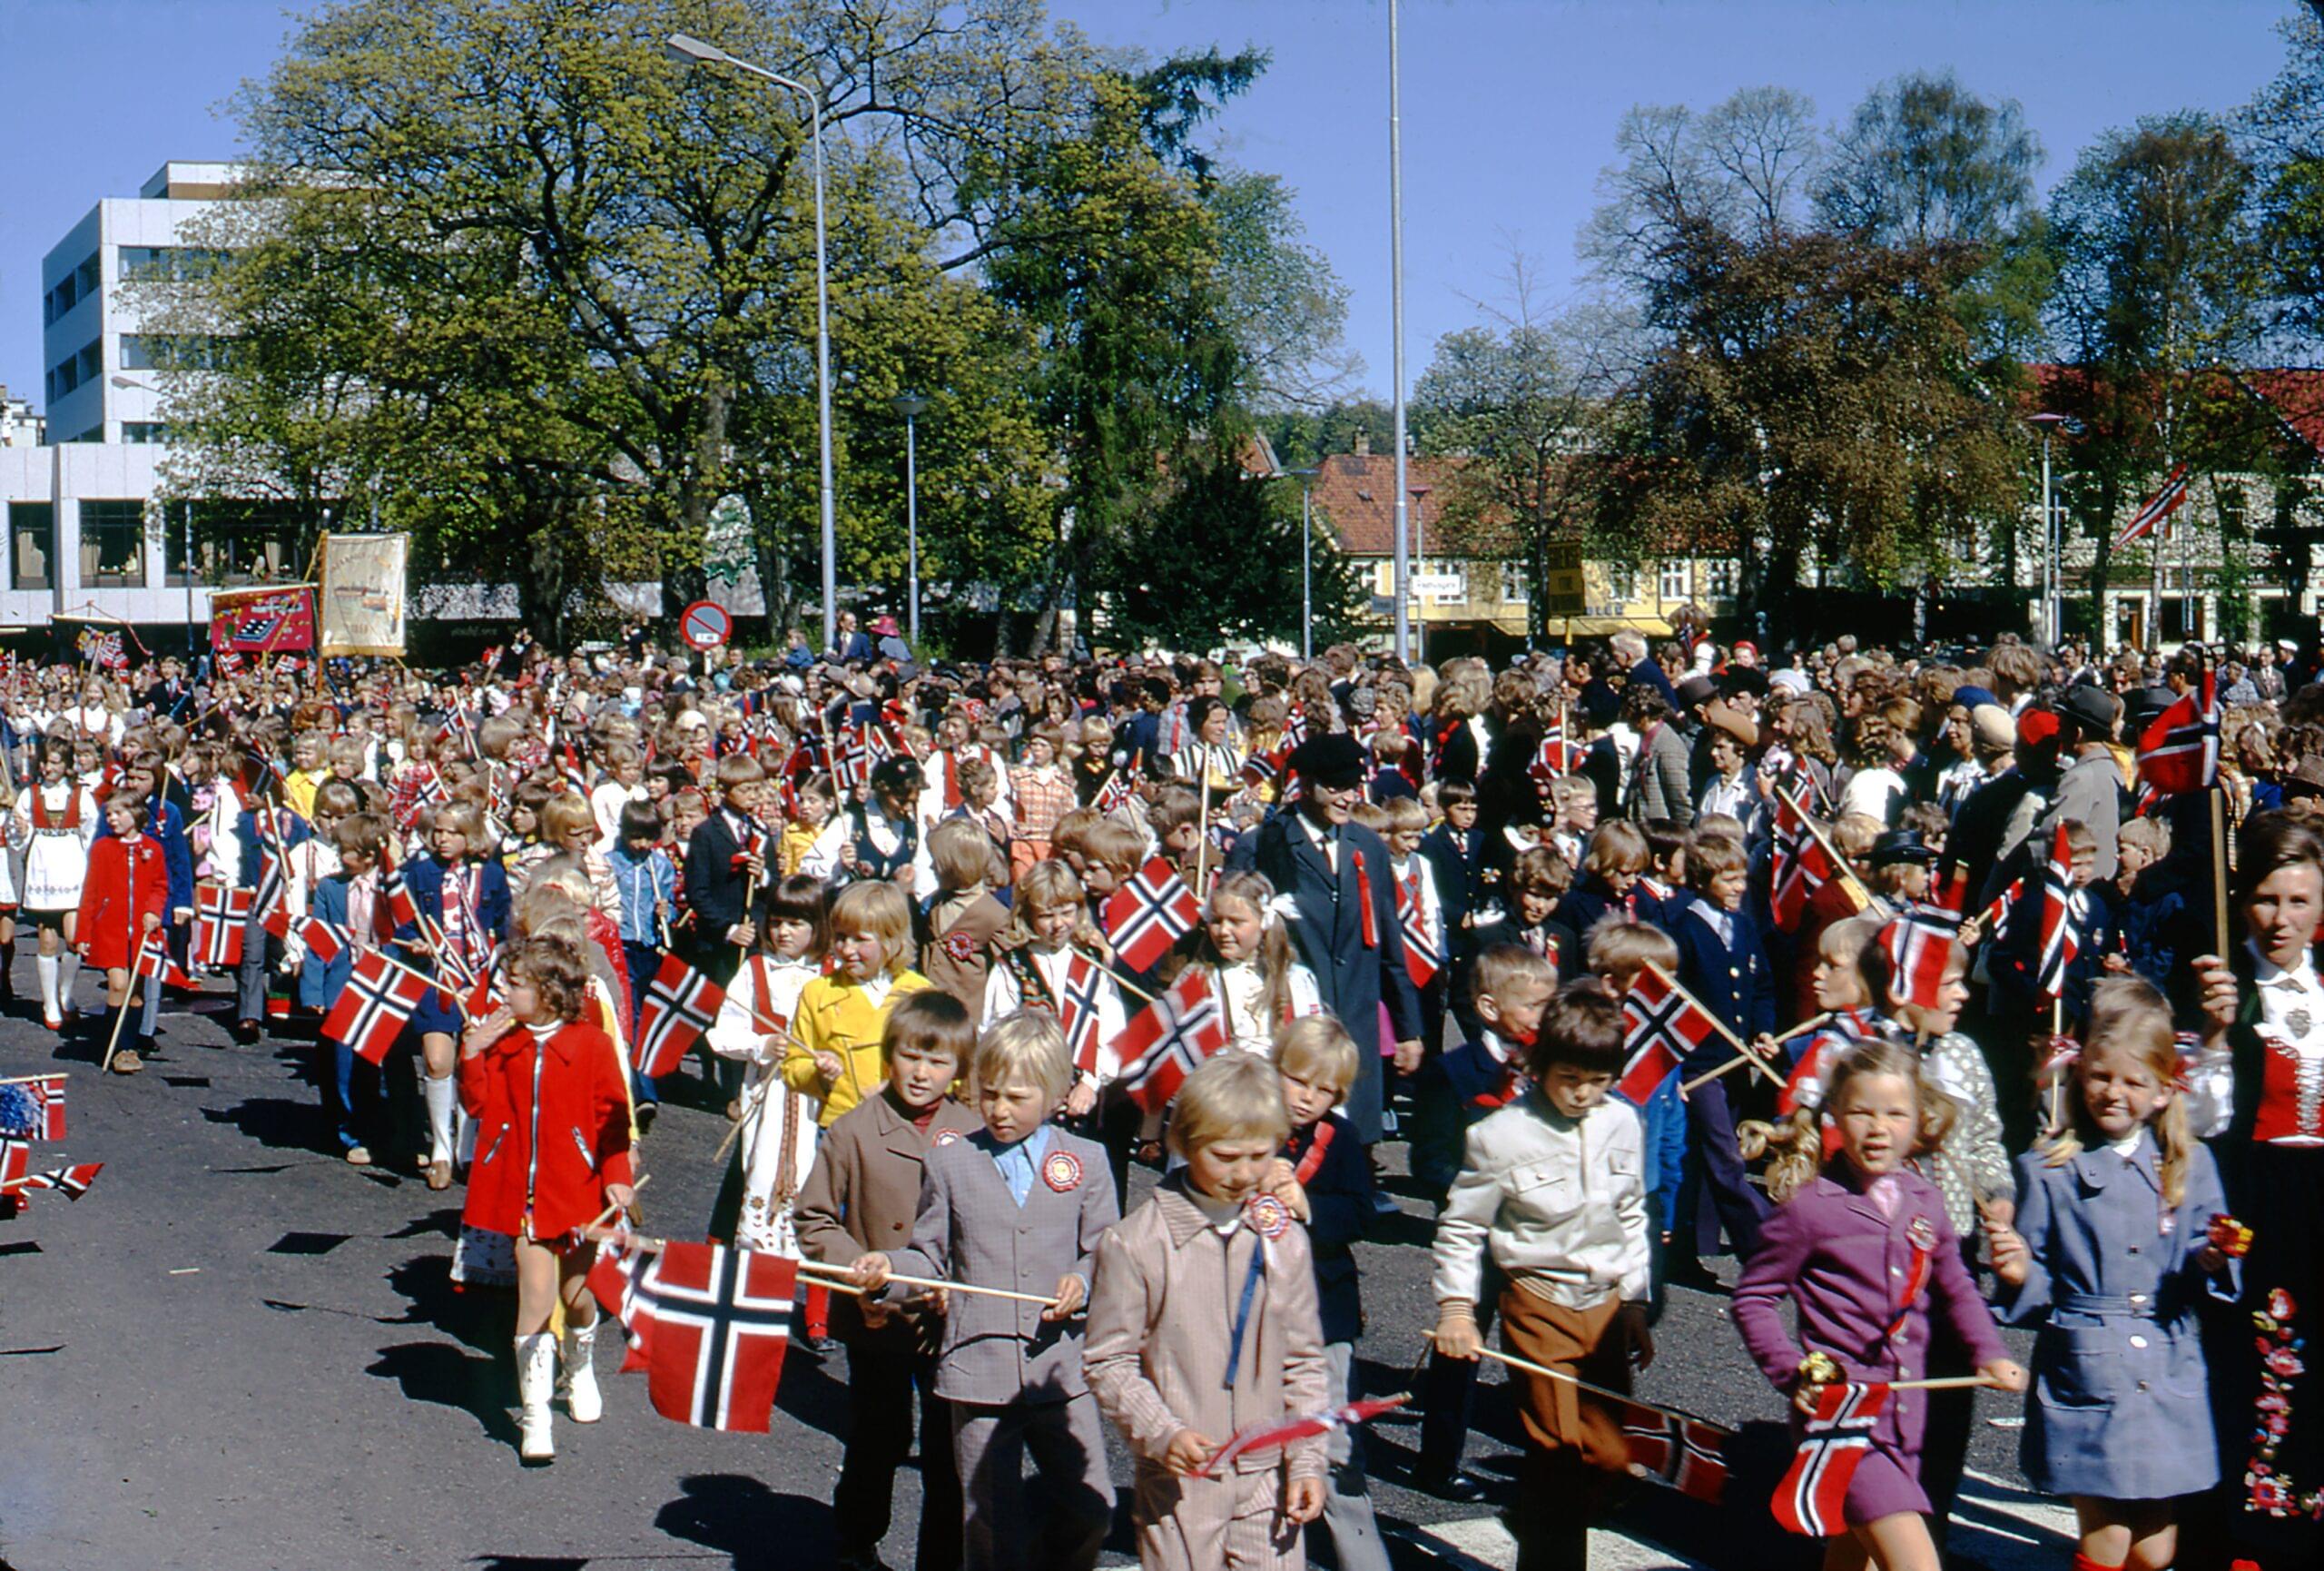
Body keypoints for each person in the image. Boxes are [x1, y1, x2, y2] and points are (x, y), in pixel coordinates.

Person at [1733, 1041, 2026, 1571]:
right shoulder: (1811, 1207)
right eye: (1861, 1112)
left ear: (1920, 1120)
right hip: (1840, 1415)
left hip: (1905, 1417)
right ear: (1835, 1117)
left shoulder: (1926, 1200)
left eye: (1895, 1113)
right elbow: (1753, 1297)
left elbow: (1956, 1286)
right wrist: (1793, 1373)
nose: (1878, 1127)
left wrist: (1989, 1352)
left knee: (1853, 1559)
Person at [1984, 977, 2238, 1571]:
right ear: (2078, 1073)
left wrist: (2216, 1257)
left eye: (2133, 1081)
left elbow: (2207, 1251)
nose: (2113, 1093)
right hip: (2089, 1367)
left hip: (2168, 1364)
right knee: (2109, 1541)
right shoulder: (2047, 1169)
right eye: (2100, 1075)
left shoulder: (2190, 1164)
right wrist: (2021, 1272)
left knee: (2155, 1550)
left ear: (2161, 1089)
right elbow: (2040, 1278)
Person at [851, 1012, 1118, 1571]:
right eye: (988, 1094)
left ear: (1054, 1094)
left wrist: (1083, 1279)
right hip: (978, 1366)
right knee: (989, 1528)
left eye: (1015, 1097)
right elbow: (929, 1256)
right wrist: (886, 1271)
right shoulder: (951, 1161)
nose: (998, 1109)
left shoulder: (1089, 1161)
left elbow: (1105, 1250)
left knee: (1092, 1506)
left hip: (1058, 1367)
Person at [1430, 984, 1654, 1570]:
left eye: (1598, 1081)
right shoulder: (1500, 1135)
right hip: (1538, 1305)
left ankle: (1534, 1519)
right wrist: (1456, 1308)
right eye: (1570, 1077)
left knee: (1609, 1456)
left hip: (1605, 1306)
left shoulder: (1623, 1124)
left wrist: (1634, 1301)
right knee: (1557, 1455)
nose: (1583, 1093)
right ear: (1539, 1066)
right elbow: (1461, 1229)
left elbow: (1632, 1214)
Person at [1084, 1050, 1330, 1571]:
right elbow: (1109, 1361)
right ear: (1185, 1143)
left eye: (1260, 1155)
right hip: (1181, 1479)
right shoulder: (1136, 1243)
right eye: (1225, 1156)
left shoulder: (1283, 1235)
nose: (1244, 1174)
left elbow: (1305, 1358)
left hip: (1269, 1474)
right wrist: (1161, 1431)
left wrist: (1307, 1460)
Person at [792, 988, 980, 1571]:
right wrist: (857, 1270)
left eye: (938, 1061)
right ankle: (856, 1542)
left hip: (949, 1319)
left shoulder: (973, 1132)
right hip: (875, 1317)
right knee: (878, 1438)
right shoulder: (853, 1130)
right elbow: (814, 1215)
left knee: (951, 1453)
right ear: (888, 1056)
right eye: (910, 1056)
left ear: (959, 1070)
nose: (921, 1072)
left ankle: (942, 1559)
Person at [2184, 811, 2324, 1569]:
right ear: (2243, 901)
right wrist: (2212, 1038)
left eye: (2300, 901)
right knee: (2251, 1365)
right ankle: (2243, 1532)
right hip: (2252, 1201)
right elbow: (2199, 1122)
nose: (2282, 920)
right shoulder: (2215, 984)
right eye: (2269, 900)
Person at [455, 934, 635, 1463]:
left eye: (514, 985)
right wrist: (472, 1053)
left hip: (577, 1195)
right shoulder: (504, 1042)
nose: (502, 992)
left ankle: (579, 1363)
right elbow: (478, 1104)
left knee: (577, 1295)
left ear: (550, 992)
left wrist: (616, 1175)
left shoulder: (592, 1044)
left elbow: (614, 1120)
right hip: (521, 1196)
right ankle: (535, 1416)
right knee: (534, 1298)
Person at [1247, 732, 1423, 1149]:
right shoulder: (1268, 843)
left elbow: (1388, 943)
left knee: (1350, 1154)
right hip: (1296, 1023)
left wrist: (1408, 1029)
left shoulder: (1368, 847)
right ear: (1307, 786)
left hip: (1355, 1027)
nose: (1346, 798)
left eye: (1352, 787)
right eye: (1334, 788)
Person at [1268, 1016, 1392, 1571]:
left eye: (1324, 1090)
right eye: (1298, 1081)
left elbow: (1363, 1213)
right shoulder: (1247, 1128)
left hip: (1325, 1312)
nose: (1308, 1098)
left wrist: (1308, 1206)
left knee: (1337, 1443)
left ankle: (1361, 1558)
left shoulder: (1339, 1139)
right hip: (1254, 1308)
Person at [707, 875, 830, 1252]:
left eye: (796, 924)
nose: (784, 933)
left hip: (814, 1098)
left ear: (818, 926)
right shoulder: (755, 970)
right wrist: (762, 1044)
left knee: (813, 1169)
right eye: (777, 923)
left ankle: (801, 1255)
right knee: (756, 1167)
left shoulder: (830, 974)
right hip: (766, 1093)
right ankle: (752, 1253)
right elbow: (723, 1033)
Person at [783, 880, 932, 1128]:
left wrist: (902, 1088)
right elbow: (792, 1066)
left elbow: (949, 1067)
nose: (847, 949)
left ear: (891, 939)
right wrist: (818, 1072)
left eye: (860, 939)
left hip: (905, 1126)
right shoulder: (818, 992)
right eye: (841, 937)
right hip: (840, 1126)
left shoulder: (922, 994)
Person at [74, 792, 168, 1075]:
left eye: (119, 813)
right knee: (117, 984)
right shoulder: (102, 848)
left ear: (136, 814)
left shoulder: (152, 848)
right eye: (109, 815)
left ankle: (129, 1046)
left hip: (141, 931)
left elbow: (160, 886)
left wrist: (153, 910)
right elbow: (90, 892)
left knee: (136, 991)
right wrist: (84, 933)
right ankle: (117, 1047)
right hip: (110, 929)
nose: (112, 819)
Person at [15, 740, 97, 1031]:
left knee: (75, 939)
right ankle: (50, 1003)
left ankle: (66, 993)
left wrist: (87, 866)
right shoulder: (30, 794)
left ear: (67, 765)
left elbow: (91, 831)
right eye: (46, 762)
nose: (49, 768)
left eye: (55, 763)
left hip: (72, 866)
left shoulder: (80, 795)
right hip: (43, 868)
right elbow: (18, 835)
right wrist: (21, 831)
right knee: (47, 938)